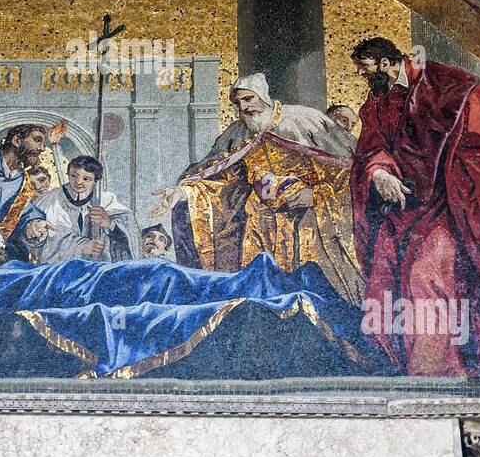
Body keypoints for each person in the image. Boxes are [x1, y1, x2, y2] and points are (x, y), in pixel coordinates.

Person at [349, 37, 480, 376]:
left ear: (386, 63)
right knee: (382, 271)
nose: (363, 76)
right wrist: (380, 172)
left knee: (425, 272)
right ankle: (396, 363)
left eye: (365, 69)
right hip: (409, 206)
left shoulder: (447, 86)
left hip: (456, 203)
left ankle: (435, 371)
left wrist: (451, 176)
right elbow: (372, 146)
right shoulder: (377, 103)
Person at [149, 73, 364, 305]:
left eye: (248, 99)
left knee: (310, 296)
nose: (243, 107)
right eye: (237, 102)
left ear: (263, 96)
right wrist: (184, 193)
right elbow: (223, 180)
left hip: (308, 224)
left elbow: (351, 170)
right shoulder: (237, 133)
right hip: (258, 229)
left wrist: (317, 196)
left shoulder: (305, 120)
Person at [33, 155, 137, 262]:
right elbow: (48, 239)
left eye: (86, 179)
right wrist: (82, 246)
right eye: (74, 176)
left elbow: (130, 235)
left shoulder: (107, 200)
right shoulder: (49, 200)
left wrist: (110, 224)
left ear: (95, 181)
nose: (78, 182)